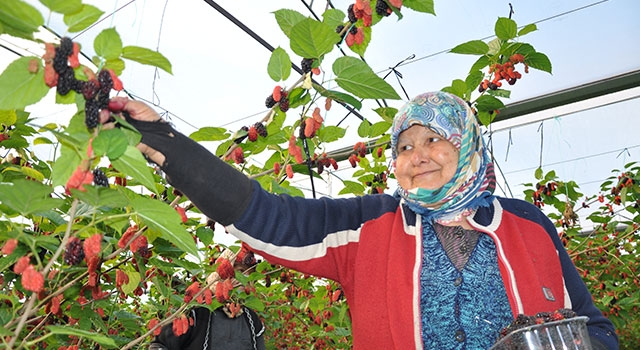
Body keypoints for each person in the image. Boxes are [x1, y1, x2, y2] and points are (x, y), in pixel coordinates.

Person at [106, 91, 618, 349]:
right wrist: (168, 146)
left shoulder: (528, 225)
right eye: (404, 147)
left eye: (433, 139)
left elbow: (593, 327)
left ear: (466, 145)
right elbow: (267, 216)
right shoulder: (369, 224)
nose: (417, 156)